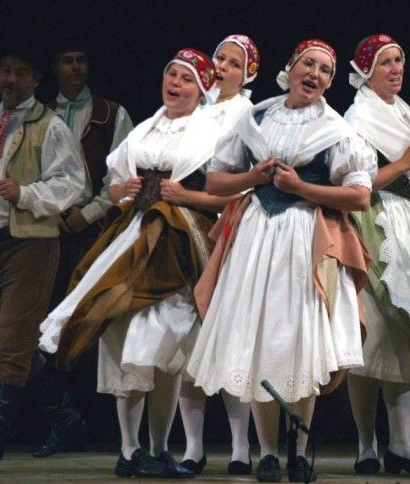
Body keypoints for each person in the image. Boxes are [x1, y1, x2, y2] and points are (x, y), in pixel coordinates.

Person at [186, 39, 376, 482]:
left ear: (330, 82)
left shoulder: (335, 130)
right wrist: (253, 176)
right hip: (256, 238)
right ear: (291, 67)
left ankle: (300, 452)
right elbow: (215, 182)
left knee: (299, 342)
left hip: (305, 236)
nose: (315, 74)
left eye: (325, 70)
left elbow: (360, 196)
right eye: (309, 64)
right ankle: (268, 452)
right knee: (259, 339)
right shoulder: (255, 119)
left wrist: (301, 188)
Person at [39, 48, 230, 478]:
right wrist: (123, 190)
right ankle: (129, 450)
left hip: (179, 242)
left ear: (201, 90)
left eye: (186, 78)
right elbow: (112, 188)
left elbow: (229, 194)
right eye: (172, 75)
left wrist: (187, 195)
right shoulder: (145, 129)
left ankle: (159, 449)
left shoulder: (213, 135)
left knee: (168, 349)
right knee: (128, 339)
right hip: (135, 236)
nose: (175, 83)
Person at [342, 34, 410, 476]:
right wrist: (406, 163)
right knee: (373, 337)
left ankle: (402, 445)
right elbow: (356, 180)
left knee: (406, 335)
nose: (396, 69)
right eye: (387, 62)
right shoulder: (358, 116)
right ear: (367, 72)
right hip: (376, 220)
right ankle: (366, 445)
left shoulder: (402, 111)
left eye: (399, 60)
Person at [0, 48, 85, 460]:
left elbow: (73, 183)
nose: (11, 79)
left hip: (28, 245)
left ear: (36, 80)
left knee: (9, 346)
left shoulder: (50, 125)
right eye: (6, 70)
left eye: (21, 73)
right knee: (11, 346)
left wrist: (26, 193)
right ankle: (66, 419)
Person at [31, 42, 134, 459]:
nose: (75, 67)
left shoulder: (111, 113)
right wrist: (53, 211)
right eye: (67, 60)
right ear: (54, 67)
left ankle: (104, 422)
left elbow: (123, 175)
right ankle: (64, 419)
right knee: (46, 324)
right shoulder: (39, 114)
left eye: (81, 60)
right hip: (45, 230)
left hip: (95, 231)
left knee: (93, 321)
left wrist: (89, 213)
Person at [176, 34, 261, 477]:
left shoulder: (248, 115)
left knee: (228, 337)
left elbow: (242, 185)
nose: (223, 68)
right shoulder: (194, 108)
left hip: (225, 229)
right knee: (187, 341)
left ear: (248, 74)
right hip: (181, 229)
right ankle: (192, 447)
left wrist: (190, 198)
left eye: (233, 63)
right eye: (219, 59)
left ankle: (241, 447)